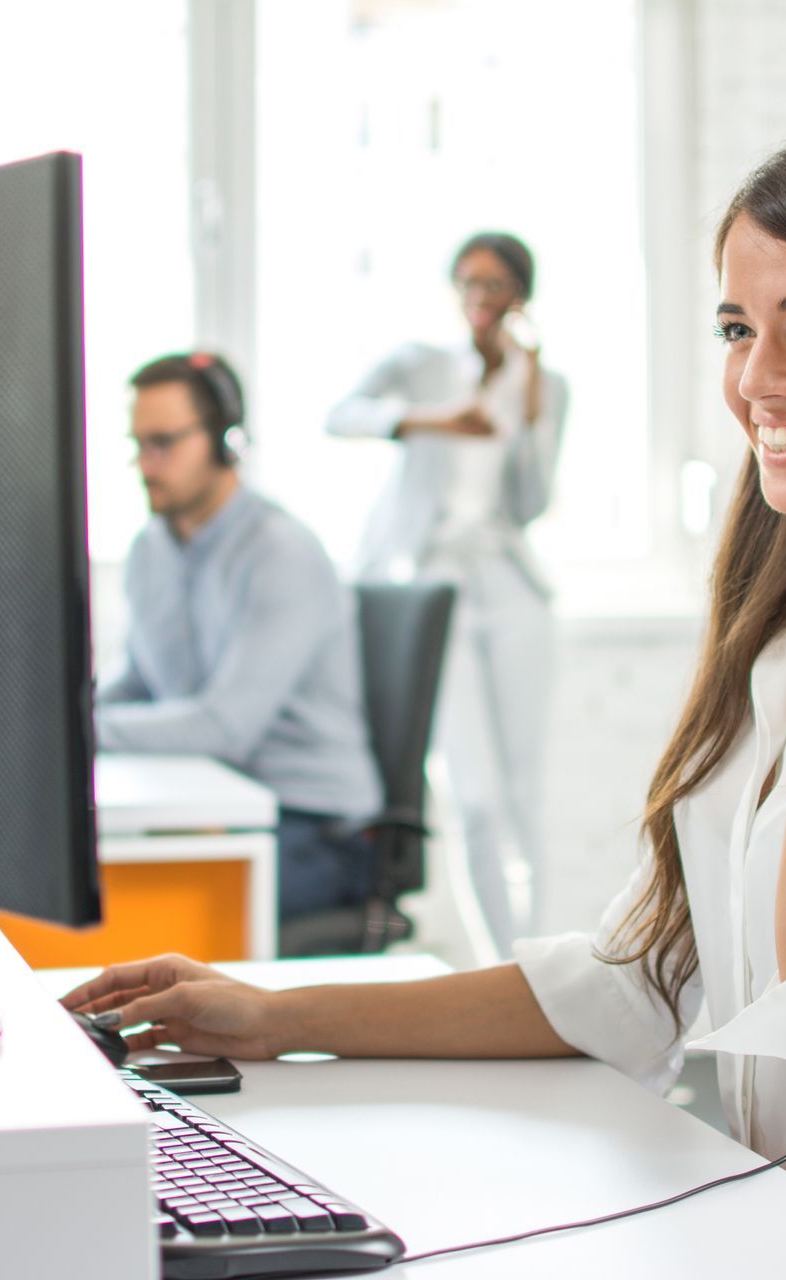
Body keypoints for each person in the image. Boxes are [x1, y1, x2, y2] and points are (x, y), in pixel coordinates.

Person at [69, 100, 786, 1279]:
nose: (758, 381)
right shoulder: (784, 642)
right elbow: (641, 975)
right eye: (737, 326)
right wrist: (272, 1017)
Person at [326, 231, 570, 956]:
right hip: (432, 582)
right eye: (467, 282)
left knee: (525, 791)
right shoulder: (421, 366)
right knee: (475, 795)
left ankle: (540, 956)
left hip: (508, 581)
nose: (478, 298)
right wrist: (432, 421)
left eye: (494, 285)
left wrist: (529, 413)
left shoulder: (544, 383)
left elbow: (529, 503)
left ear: (519, 296)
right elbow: (340, 415)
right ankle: (502, 963)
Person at [95, 352, 383, 929]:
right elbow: (144, 682)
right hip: (218, 806)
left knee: (127, 911)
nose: (146, 465)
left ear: (226, 442)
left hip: (316, 828)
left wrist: (76, 734)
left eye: (163, 443)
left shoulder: (280, 552)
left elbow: (225, 729)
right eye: (138, 445)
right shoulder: (151, 548)